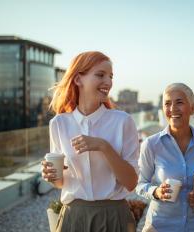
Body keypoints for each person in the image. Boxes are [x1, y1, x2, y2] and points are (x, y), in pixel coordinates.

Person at [41, 51, 139, 232]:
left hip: (114, 216)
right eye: (100, 75)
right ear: (78, 80)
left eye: (110, 76)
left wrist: (103, 146)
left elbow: (131, 182)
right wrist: (52, 177)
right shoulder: (59, 124)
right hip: (73, 217)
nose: (108, 82)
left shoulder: (123, 121)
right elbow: (61, 182)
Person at [136, 83, 194, 232]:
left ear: (193, 108)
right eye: (167, 103)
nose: (172, 108)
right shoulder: (151, 144)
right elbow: (140, 184)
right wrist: (156, 192)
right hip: (159, 227)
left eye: (179, 102)